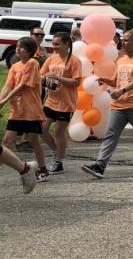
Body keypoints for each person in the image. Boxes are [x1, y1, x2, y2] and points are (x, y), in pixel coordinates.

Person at [81, 30, 133, 178]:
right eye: (123, 39)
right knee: (111, 135)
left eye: (127, 40)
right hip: (118, 106)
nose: (123, 42)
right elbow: (116, 80)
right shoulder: (120, 60)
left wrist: (122, 90)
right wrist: (104, 79)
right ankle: (99, 166)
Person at [0, 37, 48, 181]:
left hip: (31, 111)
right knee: (7, 140)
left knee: (33, 140)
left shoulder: (33, 63)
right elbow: (8, 85)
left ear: (29, 50)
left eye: (21, 47)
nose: (17, 49)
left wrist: (4, 101)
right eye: (17, 47)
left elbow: (23, 85)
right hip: (17, 111)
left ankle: (42, 169)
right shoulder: (15, 66)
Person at [40, 32, 82, 174]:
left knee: (59, 133)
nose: (54, 46)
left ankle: (59, 162)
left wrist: (59, 78)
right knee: (42, 128)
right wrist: (45, 80)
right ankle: (56, 152)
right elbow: (41, 74)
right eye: (53, 43)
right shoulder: (51, 59)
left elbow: (76, 82)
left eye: (57, 44)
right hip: (51, 101)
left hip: (66, 103)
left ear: (66, 44)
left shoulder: (74, 61)